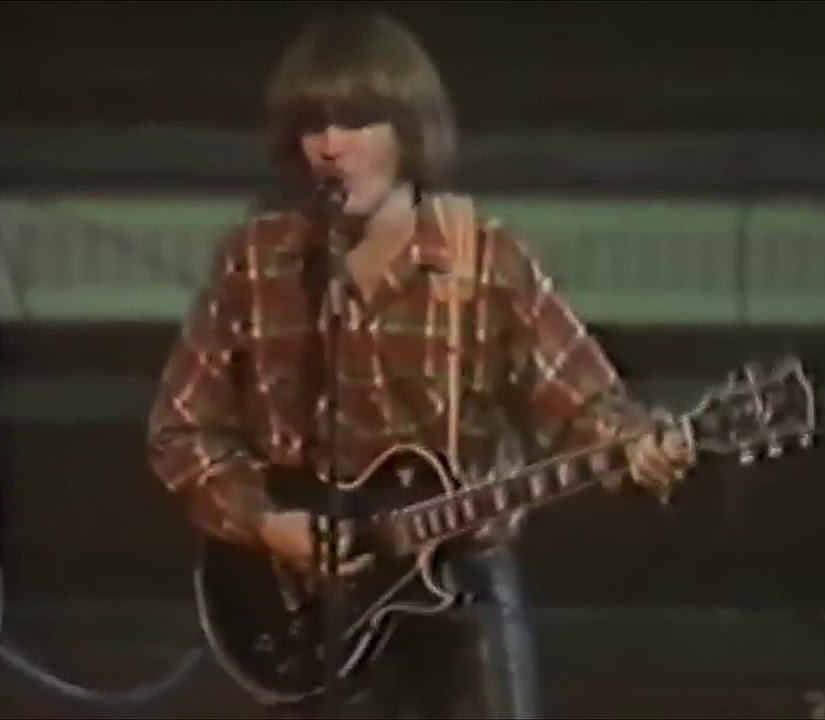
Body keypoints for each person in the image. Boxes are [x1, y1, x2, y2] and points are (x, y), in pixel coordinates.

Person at [146, 11, 696, 719]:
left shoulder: (486, 261)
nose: (332, 147)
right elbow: (182, 429)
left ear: (408, 131)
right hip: (309, 614)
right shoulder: (258, 262)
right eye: (314, 126)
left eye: (357, 122)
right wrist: (264, 522)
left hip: (460, 600)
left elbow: (587, 410)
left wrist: (641, 447)